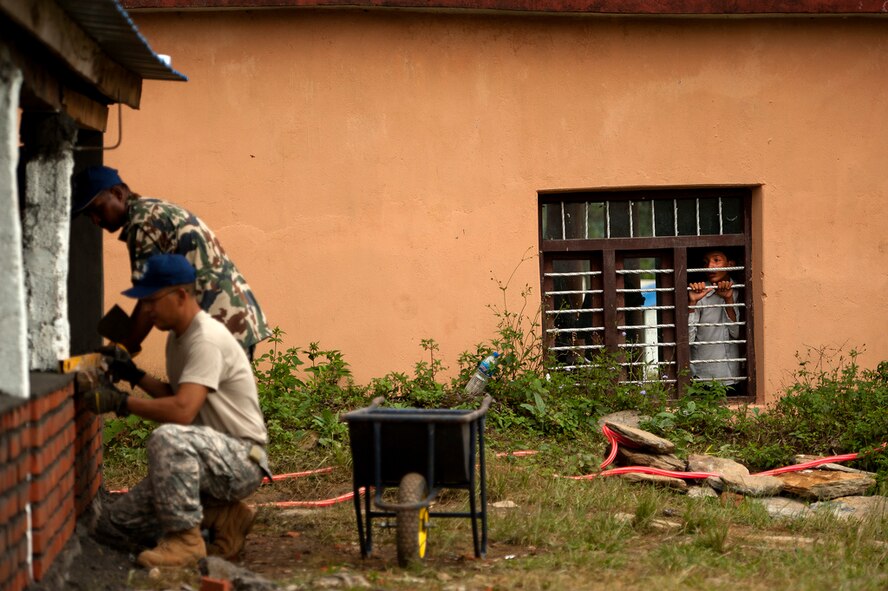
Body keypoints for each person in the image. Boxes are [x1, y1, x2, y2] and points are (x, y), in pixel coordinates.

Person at [84, 254, 272, 568]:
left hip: (241, 458)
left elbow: (183, 411)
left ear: (181, 295)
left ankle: (186, 541)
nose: (146, 310)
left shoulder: (206, 339)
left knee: (168, 439)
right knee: (118, 522)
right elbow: (179, 394)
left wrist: (121, 403)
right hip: (205, 453)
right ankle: (224, 517)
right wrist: (133, 375)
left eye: (152, 300)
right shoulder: (177, 337)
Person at [71, 165, 270, 359]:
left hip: (220, 322)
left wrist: (124, 349)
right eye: (89, 216)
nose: (95, 220)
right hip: (232, 317)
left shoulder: (142, 224)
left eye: (97, 209)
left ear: (117, 193)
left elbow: (150, 297)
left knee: (201, 393)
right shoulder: (151, 209)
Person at [688, 249, 743, 395]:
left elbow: (736, 333)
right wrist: (692, 303)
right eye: (705, 263)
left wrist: (728, 300)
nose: (710, 266)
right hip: (703, 377)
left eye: (716, 260)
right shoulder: (700, 294)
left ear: (730, 264)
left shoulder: (741, 290)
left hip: (733, 378)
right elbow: (687, 339)